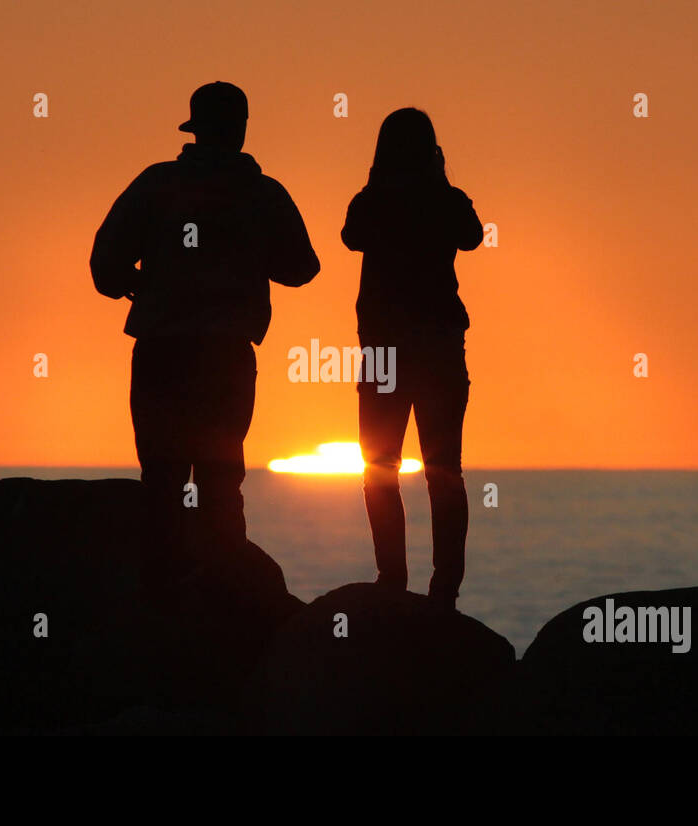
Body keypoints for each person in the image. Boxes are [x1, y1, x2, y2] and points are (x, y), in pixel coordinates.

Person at [90, 81, 319, 566]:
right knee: (220, 482)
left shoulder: (156, 184)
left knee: (161, 480)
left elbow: (104, 267)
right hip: (226, 355)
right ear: (241, 130)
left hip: (161, 350)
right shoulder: (263, 194)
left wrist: (136, 283)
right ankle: (222, 601)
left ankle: (162, 601)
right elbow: (302, 268)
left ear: (195, 130)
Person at [341, 107, 483, 611]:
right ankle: (444, 588)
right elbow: (472, 233)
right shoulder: (445, 199)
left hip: (384, 352)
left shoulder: (373, 200)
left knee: (379, 467)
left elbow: (350, 235)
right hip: (441, 349)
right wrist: (439, 179)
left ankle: (391, 576)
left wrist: (380, 182)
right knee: (444, 471)